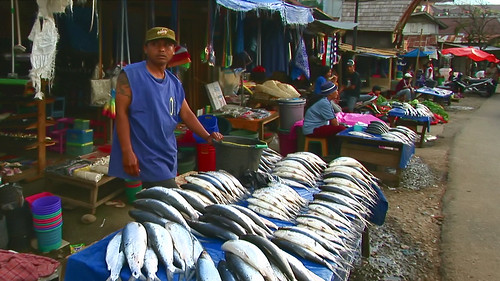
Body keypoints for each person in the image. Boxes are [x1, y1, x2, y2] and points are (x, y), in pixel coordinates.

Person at [108, 27, 223, 189]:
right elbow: (121, 114)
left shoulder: (174, 83)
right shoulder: (130, 75)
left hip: (168, 152)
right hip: (146, 154)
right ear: (145, 48)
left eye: (167, 45)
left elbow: (187, 114)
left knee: (156, 206)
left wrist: (207, 136)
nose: (162, 49)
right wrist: (127, 151)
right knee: (170, 200)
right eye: (155, 44)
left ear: (173, 50)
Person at [303, 81, 346, 154]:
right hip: (313, 129)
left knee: (340, 128)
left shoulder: (325, 101)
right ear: (330, 93)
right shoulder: (324, 103)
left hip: (315, 127)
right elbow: (334, 123)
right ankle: (335, 153)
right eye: (336, 91)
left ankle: (331, 151)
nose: (337, 92)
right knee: (341, 129)